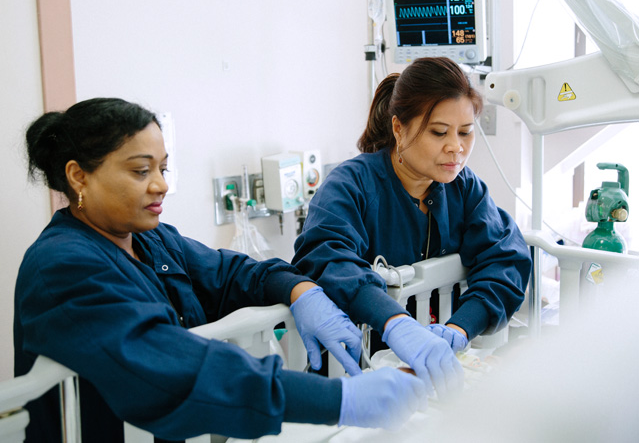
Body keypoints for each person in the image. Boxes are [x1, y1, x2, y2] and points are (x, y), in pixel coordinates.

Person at [13, 97, 427, 443]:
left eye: (163, 168)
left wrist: (302, 292)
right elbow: (171, 363)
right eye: (141, 171)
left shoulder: (153, 241)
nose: (160, 185)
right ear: (78, 176)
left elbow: (233, 274)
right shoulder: (63, 268)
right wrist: (338, 399)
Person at [293, 57, 532, 398]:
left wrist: (460, 328)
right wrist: (396, 323)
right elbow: (327, 257)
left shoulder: (464, 189)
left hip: (431, 377)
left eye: (465, 132)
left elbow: (505, 258)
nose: (457, 147)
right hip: (353, 374)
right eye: (439, 132)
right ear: (399, 128)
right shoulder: (351, 186)